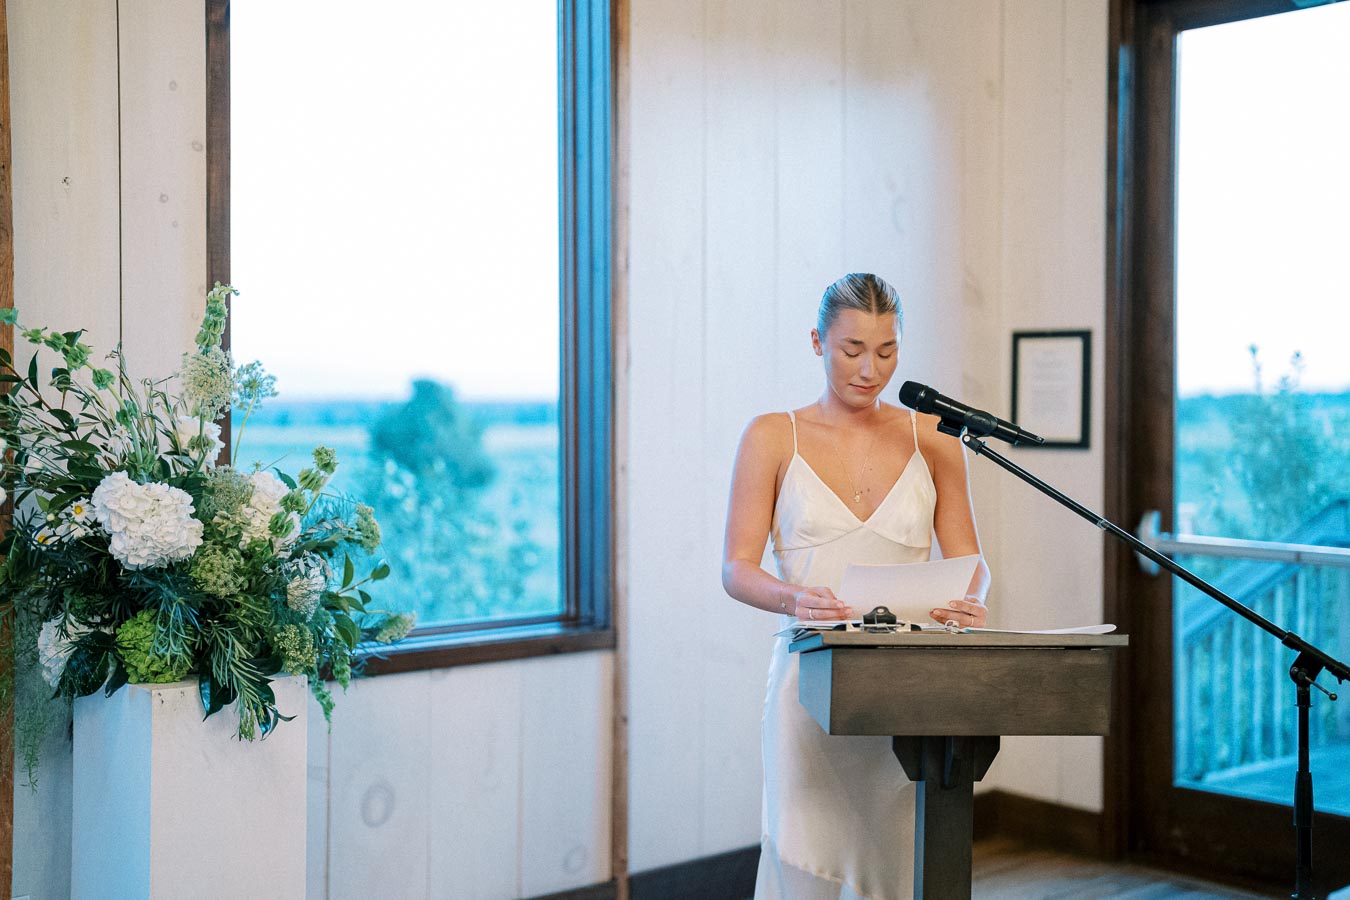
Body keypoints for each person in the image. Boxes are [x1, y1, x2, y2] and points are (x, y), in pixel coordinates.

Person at [721, 273, 991, 900]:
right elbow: (736, 567)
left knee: (897, 867)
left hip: (909, 687)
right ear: (817, 341)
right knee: (806, 864)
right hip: (810, 685)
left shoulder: (935, 438)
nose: (870, 370)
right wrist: (793, 598)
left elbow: (972, 561)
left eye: (887, 351)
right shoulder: (771, 436)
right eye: (852, 351)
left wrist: (970, 600)